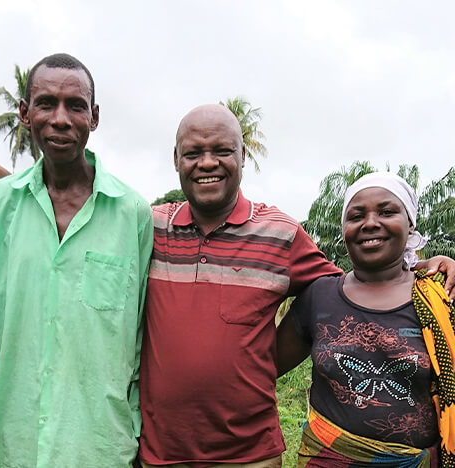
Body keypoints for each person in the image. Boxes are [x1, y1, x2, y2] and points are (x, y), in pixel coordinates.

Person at [139, 104, 455, 467]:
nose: (207, 163)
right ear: (176, 158)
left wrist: (421, 267)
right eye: (193, 153)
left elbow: (359, 281)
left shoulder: (281, 234)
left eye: (222, 151)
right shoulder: (146, 228)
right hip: (160, 451)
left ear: (242, 156)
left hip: (250, 455)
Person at [0, 52, 153, 467]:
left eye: (75, 105)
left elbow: (140, 333)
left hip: (99, 442)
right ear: (24, 113)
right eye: (45, 103)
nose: (60, 118)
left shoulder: (132, 213)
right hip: (14, 440)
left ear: (93, 117)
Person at [276, 172, 453, 467]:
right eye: (356, 215)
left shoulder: (440, 297)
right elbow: (263, 367)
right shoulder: (319, 296)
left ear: (410, 225)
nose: (370, 223)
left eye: (386, 212)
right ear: (344, 228)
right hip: (328, 458)